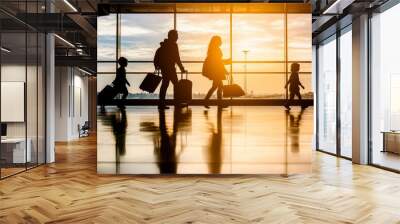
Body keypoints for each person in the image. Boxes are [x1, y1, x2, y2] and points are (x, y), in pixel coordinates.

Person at [156, 30, 186, 110]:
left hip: (165, 69)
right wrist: (182, 68)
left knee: (165, 86)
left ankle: (161, 103)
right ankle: (177, 103)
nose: (177, 37)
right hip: (170, 69)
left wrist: (158, 66)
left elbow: (158, 57)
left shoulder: (164, 45)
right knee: (176, 85)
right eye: (176, 35)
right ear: (172, 36)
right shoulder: (174, 45)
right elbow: (177, 58)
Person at [203, 35, 231, 109]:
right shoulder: (216, 49)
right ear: (217, 42)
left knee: (215, 87)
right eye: (220, 40)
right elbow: (218, 61)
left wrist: (227, 62)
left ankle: (208, 101)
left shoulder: (213, 49)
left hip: (215, 71)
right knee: (219, 87)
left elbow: (218, 61)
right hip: (216, 71)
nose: (221, 42)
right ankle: (218, 103)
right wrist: (225, 69)